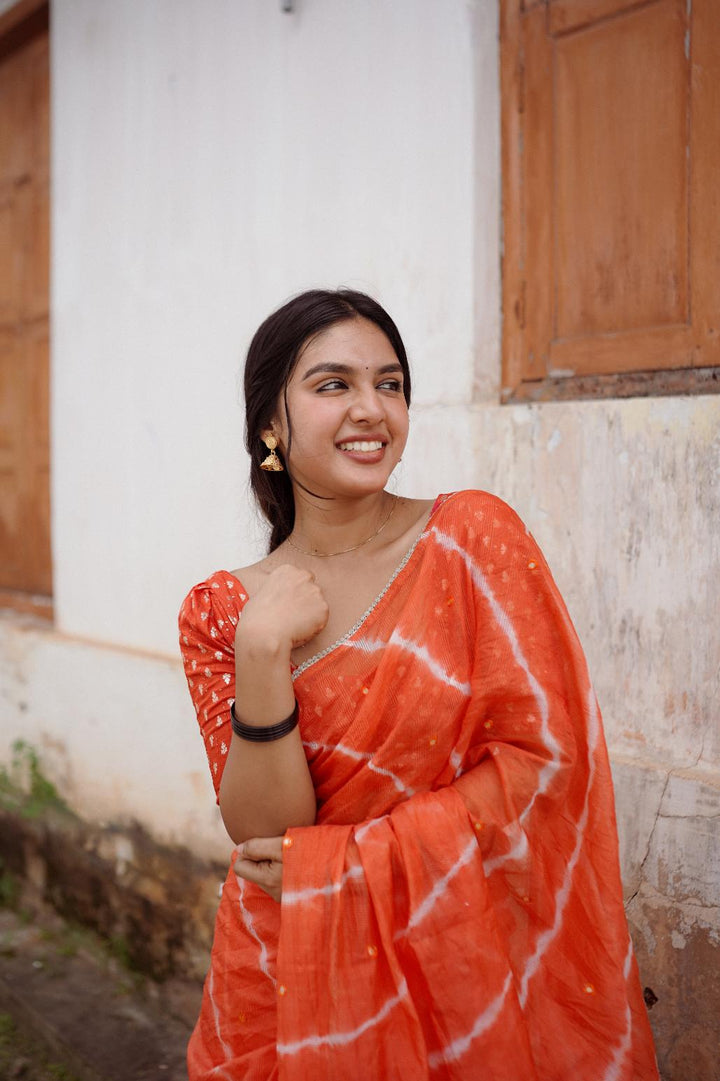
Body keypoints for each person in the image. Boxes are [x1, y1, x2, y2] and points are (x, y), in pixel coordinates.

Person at [178, 289, 659, 1080]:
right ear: (269, 422)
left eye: (390, 383)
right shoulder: (221, 610)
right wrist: (262, 650)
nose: (371, 408)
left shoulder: (473, 540)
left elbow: (548, 765)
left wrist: (358, 864)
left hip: (471, 969)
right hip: (291, 977)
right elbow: (266, 831)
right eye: (333, 384)